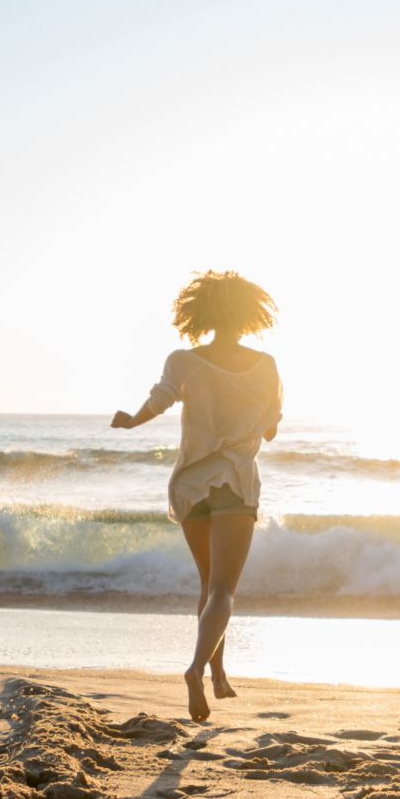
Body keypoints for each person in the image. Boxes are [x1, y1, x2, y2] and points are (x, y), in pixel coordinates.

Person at [111, 270, 283, 723]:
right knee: (225, 590)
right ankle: (194, 670)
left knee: (208, 586)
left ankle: (218, 674)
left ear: (201, 312)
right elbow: (271, 426)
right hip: (235, 483)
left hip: (190, 486)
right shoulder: (265, 366)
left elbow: (158, 401)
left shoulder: (182, 361)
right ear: (250, 314)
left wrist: (130, 422)